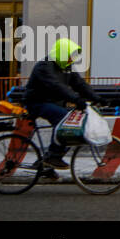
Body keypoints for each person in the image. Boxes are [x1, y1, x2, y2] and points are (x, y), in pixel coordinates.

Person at [23, 38, 99, 169]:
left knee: (75, 124)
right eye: (70, 56)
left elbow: (79, 84)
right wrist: (76, 100)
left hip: (54, 103)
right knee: (65, 120)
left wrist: (97, 97)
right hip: (37, 102)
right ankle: (53, 156)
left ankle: (46, 165)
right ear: (62, 53)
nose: (71, 60)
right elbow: (56, 86)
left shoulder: (66, 67)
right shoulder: (44, 66)